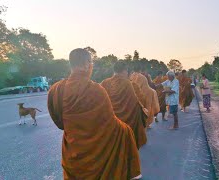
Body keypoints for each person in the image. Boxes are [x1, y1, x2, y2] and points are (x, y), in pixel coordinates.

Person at [47, 48, 142, 179]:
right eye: (91, 63)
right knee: (126, 131)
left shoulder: (55, 89)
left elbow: (59, 122)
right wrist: (127, 129)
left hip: (73, 151)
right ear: (87, 64)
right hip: (97, 151)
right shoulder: (97, 90)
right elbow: (110, 124)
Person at [101, 61, 147, 149]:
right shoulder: (127, 83)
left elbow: (100, 103)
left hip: (110, 121)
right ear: (124, 71)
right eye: (126, 71)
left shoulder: (104, 82)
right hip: (125, 124)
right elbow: (134, 103)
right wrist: (143, 110)